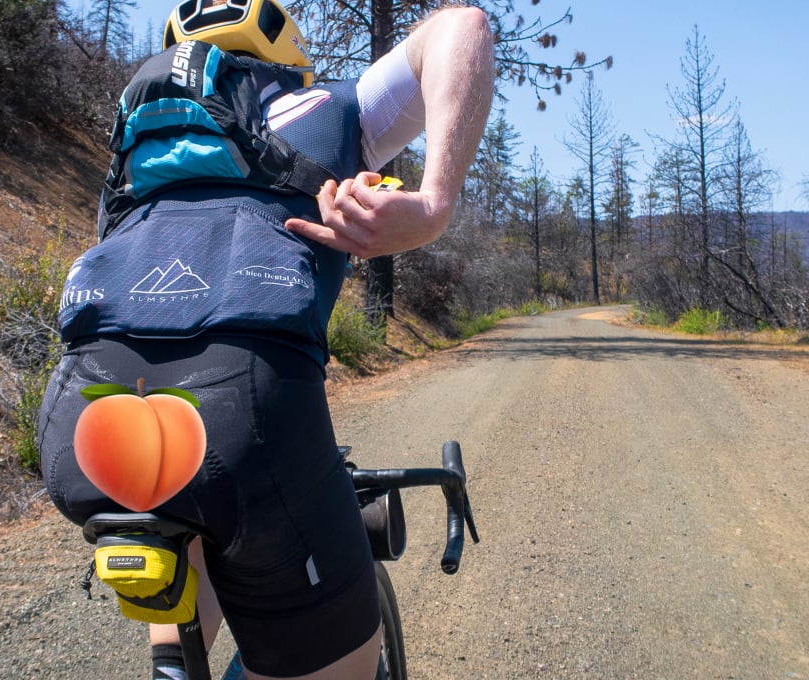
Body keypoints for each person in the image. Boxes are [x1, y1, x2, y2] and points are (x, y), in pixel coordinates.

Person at [37, 0, 493, 677]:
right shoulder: (330, 109)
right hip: (246, 418)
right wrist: (433, 204)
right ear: (287, 60)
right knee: (309, 604)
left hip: (81, 420)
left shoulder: (132, 161)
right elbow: (466, 25)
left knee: (187, 534)